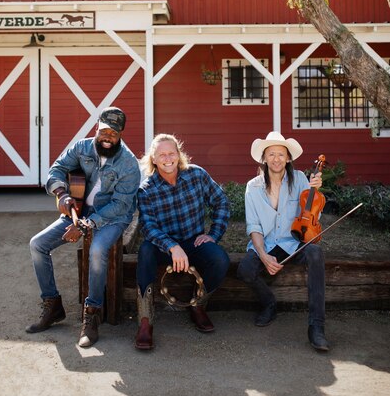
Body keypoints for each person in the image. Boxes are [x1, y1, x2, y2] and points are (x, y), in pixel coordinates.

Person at [26, 106, 141, 348]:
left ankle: (92, 315)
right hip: (79, 210)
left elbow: (121, 205)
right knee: (37, 245)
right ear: (96, 128)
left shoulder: (129, 163)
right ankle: (52, 305)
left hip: (113, 217)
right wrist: (61, 193)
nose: (108, 138)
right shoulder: (81, 147)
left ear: (121, 135)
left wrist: (88, 224)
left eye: (114, 133)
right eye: (104, 131)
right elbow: (56, 170)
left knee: (97, 251)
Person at [135, 134, 230, 350]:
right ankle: (145, 321)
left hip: (193, 241)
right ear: (153, 159)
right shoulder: (147, 189)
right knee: (145, 251)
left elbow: (221, 201)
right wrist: (172, 246)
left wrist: (213, 235)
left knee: (220, 259)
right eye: (162, 155)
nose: (167, 158)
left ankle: (197, 305)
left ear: (178, 155)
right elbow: (148, 226)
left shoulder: (196, 174)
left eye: (171, 153)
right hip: (164, 247)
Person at [237, 131, 329, 352]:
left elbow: (311, 208)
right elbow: (254, 227)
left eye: (281, 154)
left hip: (294, 242)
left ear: (288, 158)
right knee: (245, 271)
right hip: (267, 243)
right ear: (264, 158)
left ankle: (316, 327)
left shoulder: (299, 179)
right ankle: (269, 303)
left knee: (315, 253)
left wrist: (314, 185)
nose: (276, 159)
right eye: (271, 154)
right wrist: (262, 254)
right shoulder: (253, 187)